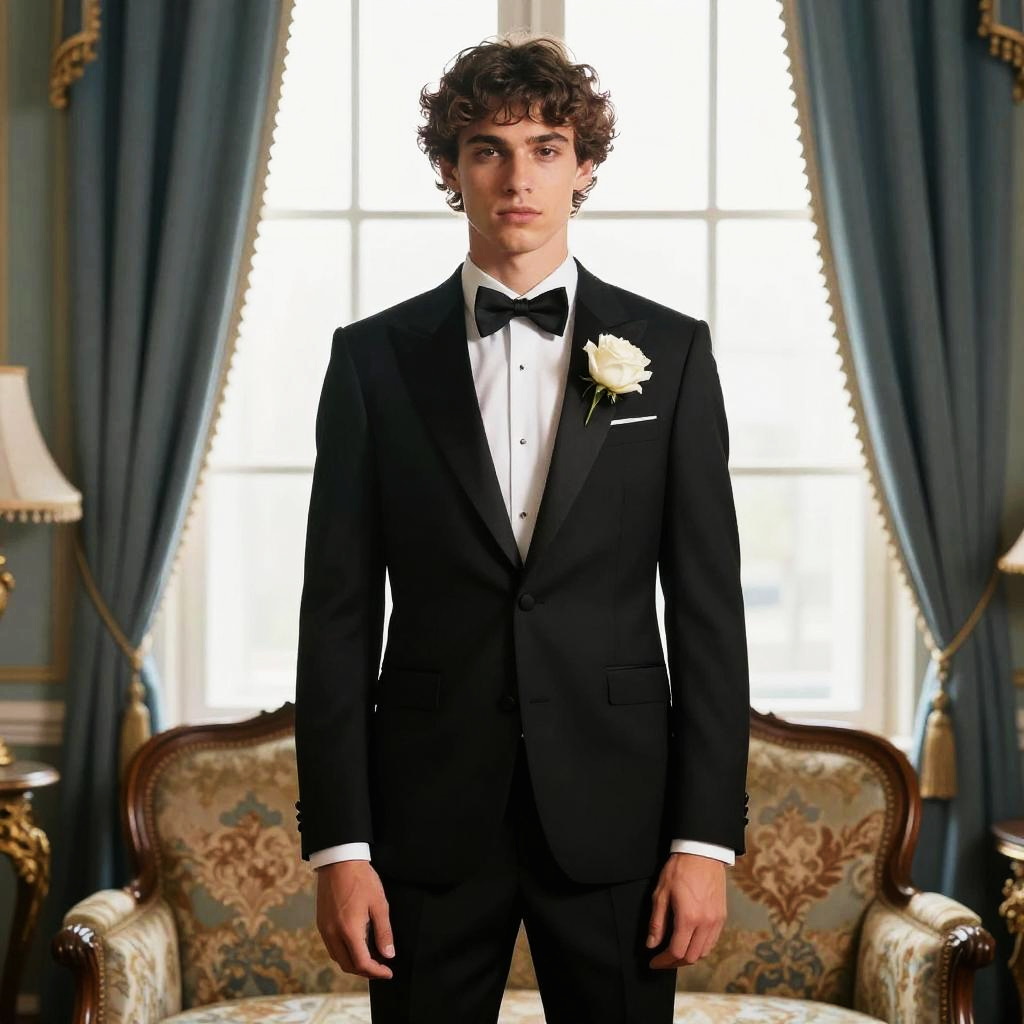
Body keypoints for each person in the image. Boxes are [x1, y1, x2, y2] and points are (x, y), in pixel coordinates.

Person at [294, 31, 750, 1024]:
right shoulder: (371, 363)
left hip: (619, 817)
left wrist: (703, 842)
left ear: (584, 166)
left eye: (545, 147)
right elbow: (333, 618)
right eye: (488, 148)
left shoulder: (670, 356)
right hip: (425, 819)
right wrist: (340, 848)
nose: (517, 176)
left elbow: (709, 614)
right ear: (451, 170)